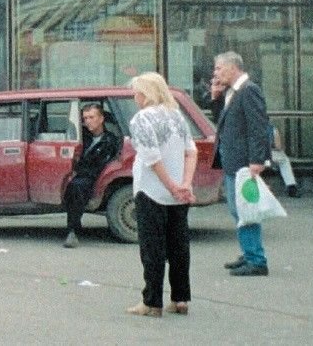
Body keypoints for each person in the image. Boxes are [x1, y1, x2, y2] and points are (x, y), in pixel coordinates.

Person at [126, 72, 196, 317]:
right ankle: (181, 298)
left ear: (145, 94)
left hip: (151, 190)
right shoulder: (177, 116)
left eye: (137, 92)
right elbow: (191, 152)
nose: (135, 96)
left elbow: (151, 158)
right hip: (178, 193)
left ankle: (152, 301)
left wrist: (171, 186)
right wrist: (184, 185)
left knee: (152, 248)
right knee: (179, 247)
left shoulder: (141, 120)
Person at [212, 51, 272, 277]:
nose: (215, 73)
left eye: (218, 68)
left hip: (244, 163)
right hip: (232, 160)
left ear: (232, 67)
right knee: (237, 210)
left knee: (245, 210)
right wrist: (216, 98)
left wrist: (257, 160)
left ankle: (256, 259)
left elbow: (258, 127)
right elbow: (224, 123)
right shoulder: (232, 92)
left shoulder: (249, 90)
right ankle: (248, 253)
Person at [63, 103, 122, 247]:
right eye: (85, 118)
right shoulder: (83, 137)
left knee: (77, 186)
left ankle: (72, 230)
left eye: (91, 117)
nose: (87, 121)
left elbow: (100, 165)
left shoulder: (110, 140)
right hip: (80, 174)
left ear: (101, 118)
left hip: (95, 177)